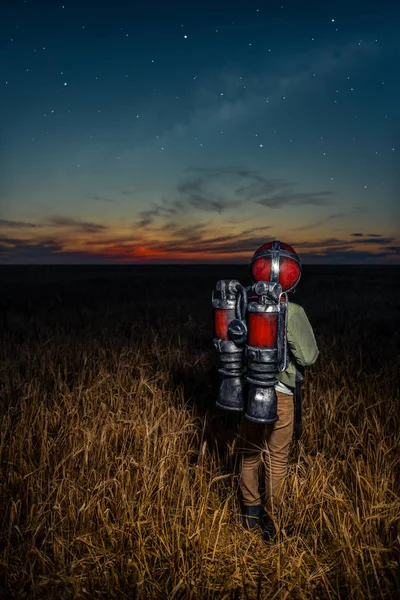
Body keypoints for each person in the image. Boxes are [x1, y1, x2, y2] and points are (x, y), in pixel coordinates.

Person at [238, 260, 319, 545]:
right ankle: (273, 524)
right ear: (291, 277)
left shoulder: (243, 303)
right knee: (277, 461)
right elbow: (309, 357)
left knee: (249, 451)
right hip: (282, 396)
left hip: (250, 394)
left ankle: (250, 513)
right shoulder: (293, 311)